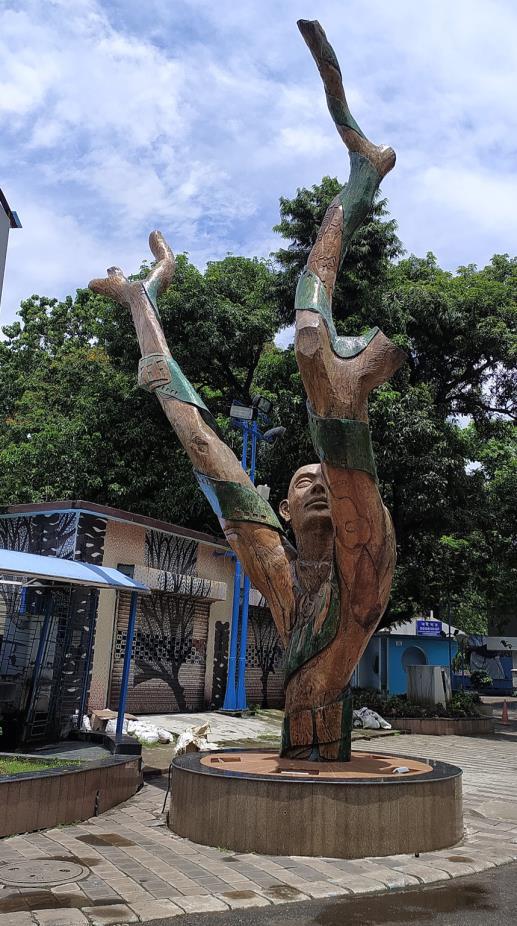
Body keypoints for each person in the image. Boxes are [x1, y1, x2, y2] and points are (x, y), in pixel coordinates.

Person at [90, 20, 404, 761]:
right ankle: (359, 177)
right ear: (281, 510)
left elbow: (331, 413)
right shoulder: (278, 567)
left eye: (323, 478)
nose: (318, 486)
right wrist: (144, 309)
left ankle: (361, 178)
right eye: (302, 483)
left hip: (331, 688)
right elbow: (202, 444)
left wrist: (339, 391)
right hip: (299, 725)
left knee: (311, 342)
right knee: (298, 355)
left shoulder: (363, 555)